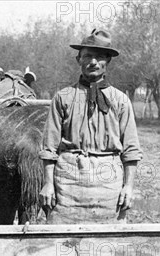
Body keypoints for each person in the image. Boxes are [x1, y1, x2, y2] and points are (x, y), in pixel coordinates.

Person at [39, 29, 142, 223]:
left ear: (108, 61)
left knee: (107, 244)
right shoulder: (63, 97)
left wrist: (128, 187)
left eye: (99, 57)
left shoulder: (120, 100)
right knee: (62, 243)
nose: (93, 62)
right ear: (79, 59)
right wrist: (48, 184)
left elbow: (131, 150)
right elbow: (49, 148)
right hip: (68, 183)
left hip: (108, 184)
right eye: (87, 56)